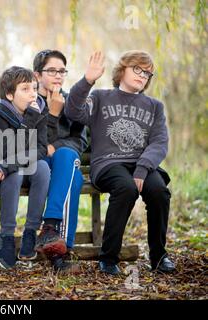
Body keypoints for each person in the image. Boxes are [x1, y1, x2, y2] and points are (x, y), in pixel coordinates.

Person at [65, 50, 175, 275]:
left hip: (141, 164)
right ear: (122, 69)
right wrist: (87, 81)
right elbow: (73, 111)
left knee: (159, 191)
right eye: (137, 69)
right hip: (108, 163)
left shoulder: (155, 106)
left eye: (147, 73)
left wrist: (143, 168)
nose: (142, 76)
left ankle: (159, 256)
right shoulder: (100, 98)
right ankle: (108, 258)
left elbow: (160, 142)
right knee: (125, 189)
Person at [32, 50, 88, 273]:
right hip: (36, 164)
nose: (58, 76)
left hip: (64, 162)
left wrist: (57, 147)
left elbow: (79, 141)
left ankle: (51, 229)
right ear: (37, 75)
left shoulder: (72, 103)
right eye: (52, 71)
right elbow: (33, 143)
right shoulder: (28, 100)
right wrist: (53, 114)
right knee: (71, 172)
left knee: (69, 162)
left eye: (62, 71)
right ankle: (61, 253)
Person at [0, 66, 50, 269]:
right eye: (25, 89)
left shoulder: (39, 110)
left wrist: (33, 118)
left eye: (34, 87)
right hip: (6, 169)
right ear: (9, 94)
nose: (33, 93)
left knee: (42, 168)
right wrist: (29, 120)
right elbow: (6, 151)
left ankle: (31, 231)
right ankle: (6, 234)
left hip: (24, 165)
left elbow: (41, 148)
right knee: (13, 175)